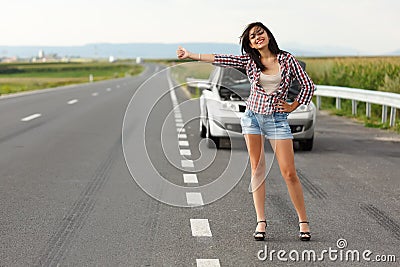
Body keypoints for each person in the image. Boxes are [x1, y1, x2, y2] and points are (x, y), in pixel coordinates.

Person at [176, 22, 315, 241]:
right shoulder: (250, 61)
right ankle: (261, 222)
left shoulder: (287, 60)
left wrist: (291, 106)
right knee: (257, 169)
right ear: (249, 43)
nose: (257, 37)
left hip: (277, 120)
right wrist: (191, 54)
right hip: (252, 119)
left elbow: (308, 85)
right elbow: (220, 59)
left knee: (289, 172)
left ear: (268, 35)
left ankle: (303, 221)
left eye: (260, 33)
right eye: (252, 36)